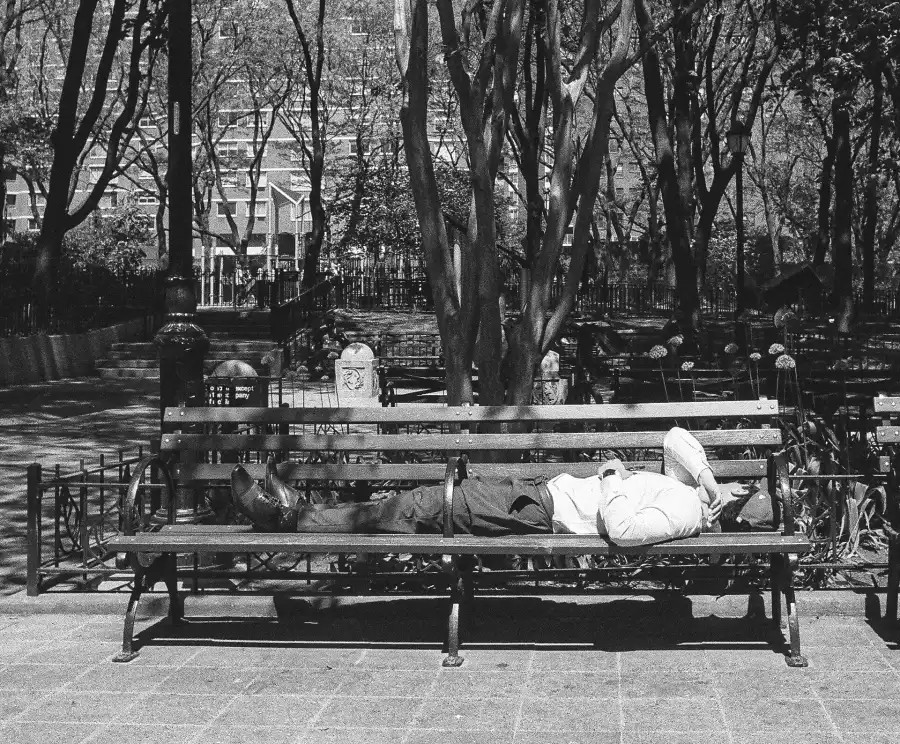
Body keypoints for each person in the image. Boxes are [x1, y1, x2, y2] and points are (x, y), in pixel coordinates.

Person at [230, 427, 730, 547]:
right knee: (413, 506)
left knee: (417, 506)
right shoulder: (690, 490)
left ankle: (291, 517)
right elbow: (676, 439)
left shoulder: (686, 514)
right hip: (533, 492)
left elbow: (621, 530)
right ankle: (302, 510)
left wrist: (614, 477)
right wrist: (711, 482)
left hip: (537, 509)